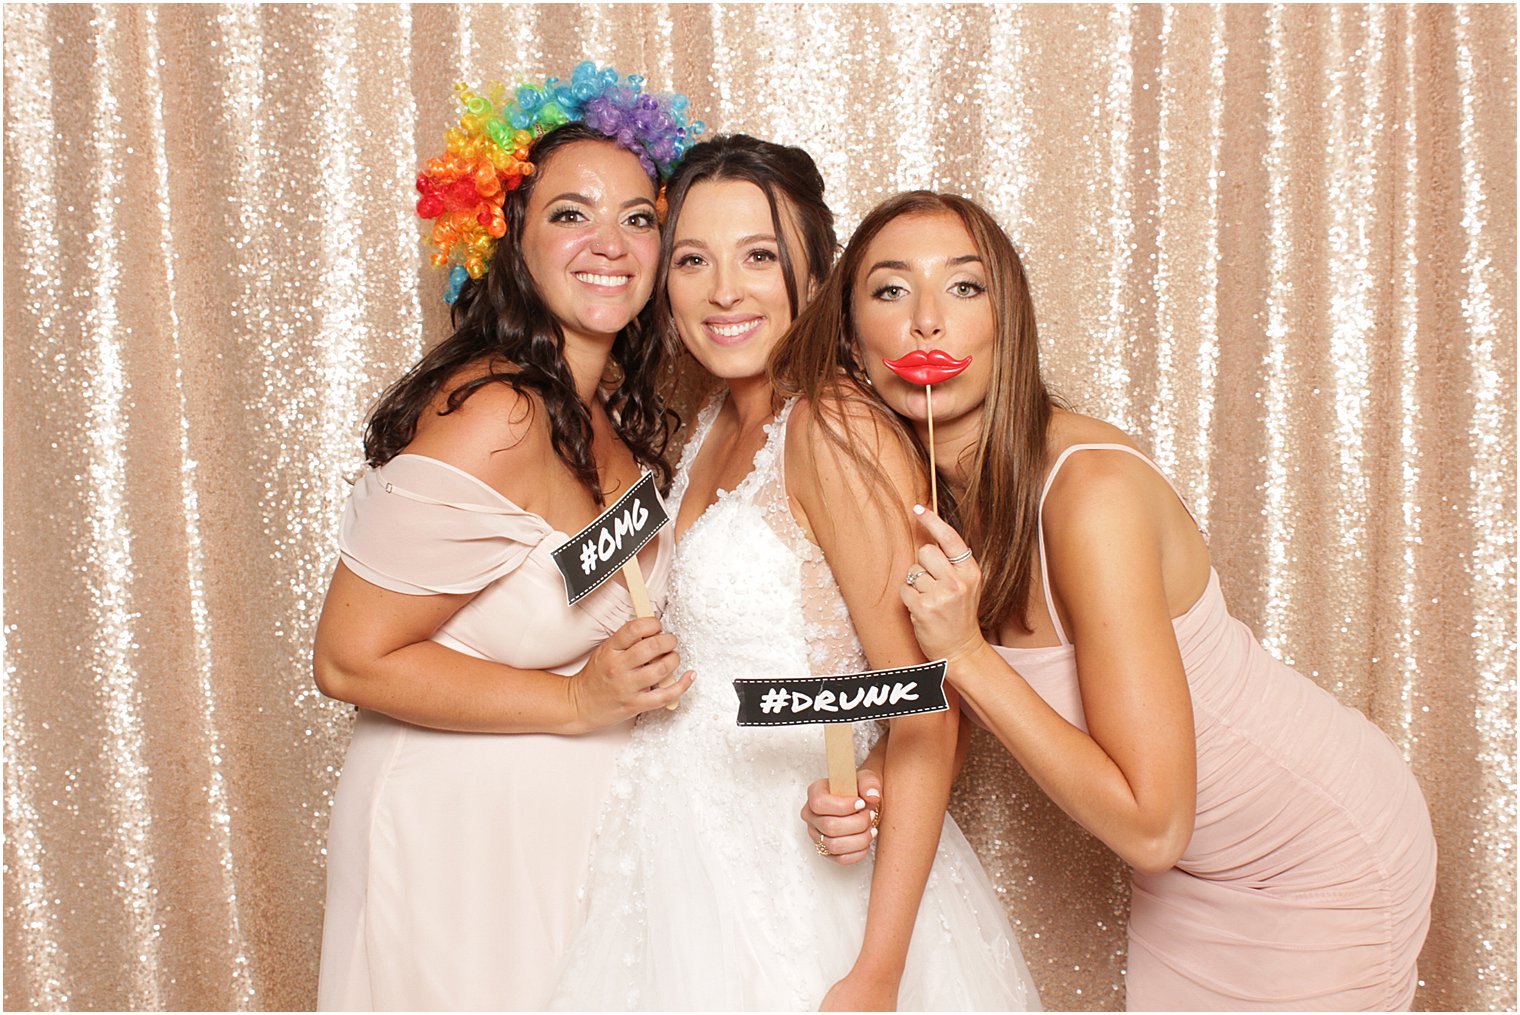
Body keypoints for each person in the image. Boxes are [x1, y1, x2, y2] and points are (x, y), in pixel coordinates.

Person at [799, 191, 1437, 1010]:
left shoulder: (1089, 492)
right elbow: (942, 718)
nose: (927, 321)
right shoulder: (915, 498)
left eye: (965, 288)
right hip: (1191, 881)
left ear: (1010, 322)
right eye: (890, 291)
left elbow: (1151, 827)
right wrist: (872, 789)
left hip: (1314, 856)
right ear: (853, 341)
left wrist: (966, 653)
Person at [549, 139, 1038, 1011]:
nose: (724, 289)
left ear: (816, 276)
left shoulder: (834, 430)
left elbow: (927, 700)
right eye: (694, 259)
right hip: (675, 854)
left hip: (798, 877)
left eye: (760, 256)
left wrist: (877, 971)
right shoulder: (708, 422)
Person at [310, 66, 703, 1010]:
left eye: (638, 218)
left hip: (559, 837)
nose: (610, 243)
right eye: (571, 214)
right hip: (455, 843)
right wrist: (577, 700)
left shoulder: (605, 415)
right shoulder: (501, 413)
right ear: (509, 241)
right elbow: (348, 659)